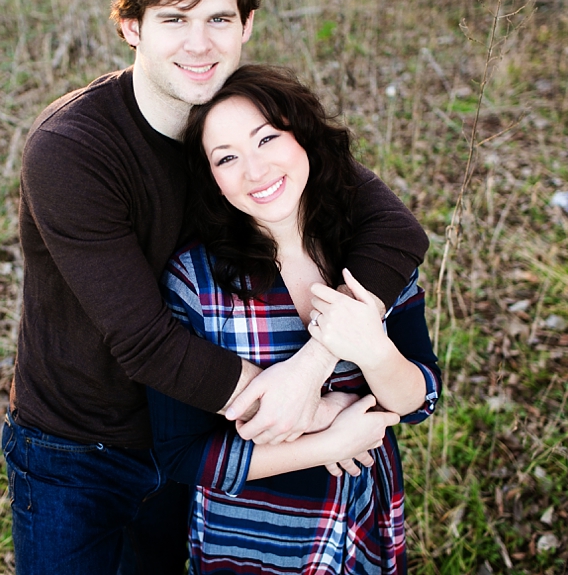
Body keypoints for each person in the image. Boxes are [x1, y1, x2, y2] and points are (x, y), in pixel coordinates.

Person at [3, 0, 430, 573]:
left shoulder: (247, 128)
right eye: (174, 18)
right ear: (130, 26)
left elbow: (397, 231)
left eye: (218, 17)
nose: (199, 44)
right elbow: (144, 341)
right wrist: (311, 417)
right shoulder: (74, 149)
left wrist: (315, 364)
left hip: (203, 435)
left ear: (248, 23)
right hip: (78, 449)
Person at [147, 64, 441, 574]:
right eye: (227, 158)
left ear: (302, 137)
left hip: (361, 523)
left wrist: (372, 349)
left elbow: (421, 399)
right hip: (250, 543)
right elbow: (182, 456)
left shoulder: (370, 254)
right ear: (212, 180)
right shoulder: (195, 281)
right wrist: (330, 441)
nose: (255, 171)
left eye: (267, 139)